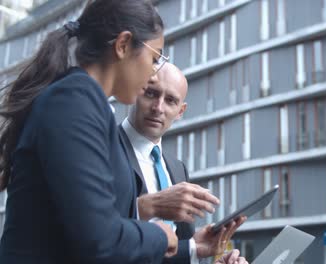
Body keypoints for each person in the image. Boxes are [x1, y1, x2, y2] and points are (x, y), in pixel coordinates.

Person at [0, 1, 178, 263]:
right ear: (123, 45)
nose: (153, 74)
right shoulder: (72, 103)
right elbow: (100, 239)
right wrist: (159, 236)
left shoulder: (88, 105)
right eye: (154, 58)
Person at [119, 62, 247, 263]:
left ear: (180, 111)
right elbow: (88, 231)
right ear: (135, 92)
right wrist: (146, 207)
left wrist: (194, 249)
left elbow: (173, 255)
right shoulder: (103, 147)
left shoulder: (178, 169)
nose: (158, 108)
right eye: (151, 93)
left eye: (170, 100)